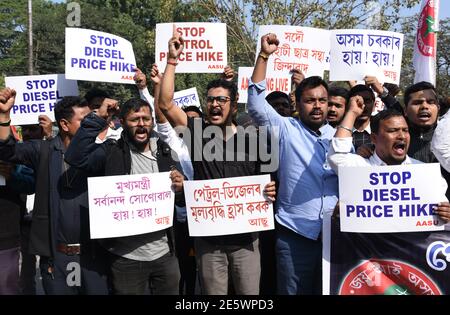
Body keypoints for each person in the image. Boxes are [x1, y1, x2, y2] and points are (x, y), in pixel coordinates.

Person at [158, 26, 276, 295]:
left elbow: (269, 184)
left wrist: (271, 190)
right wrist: (172, 60)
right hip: (209, 243)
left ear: (234, 106)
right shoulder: (197, 134)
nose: (214, 105)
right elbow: (165, 104)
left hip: (247, 242)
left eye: (222, 100)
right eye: (210, 100)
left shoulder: (254, 139)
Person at [65, 93, 184, 295]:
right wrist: (98, 118)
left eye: (146, 119)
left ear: (152, 122)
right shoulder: (111, 151)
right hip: (126, 258)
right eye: (134, 119)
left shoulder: (166, 153)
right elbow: (75, 157)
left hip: (165, 255)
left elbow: (180, 200)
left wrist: (181, 188)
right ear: (123, 122)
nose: (141, 124)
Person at [248, 33, 338, 295]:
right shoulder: (284, 129)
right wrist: (264, 56)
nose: (318, 106)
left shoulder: (341, 138)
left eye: (322, 100)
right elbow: (255, 103)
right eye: (310, 101)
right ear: (298, 104)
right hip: (295, 234)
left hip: (335, 237)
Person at [0, 88, 109, 295]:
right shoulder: (43, 150)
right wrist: (5, 116)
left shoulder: (101, 153)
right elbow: (7, 151)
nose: (89, 124)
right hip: (57, 259)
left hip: (92, 258)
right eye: (84, 120)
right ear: (65, 125)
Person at [327, 98, 450, 222]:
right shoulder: (360, 167)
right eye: (393, 131)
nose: (401, 136)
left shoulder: (426, 173)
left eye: (405, 130)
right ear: (374, 138)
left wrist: (446, 213)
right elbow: (337, 155)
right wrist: (352, 113)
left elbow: (439, 212)